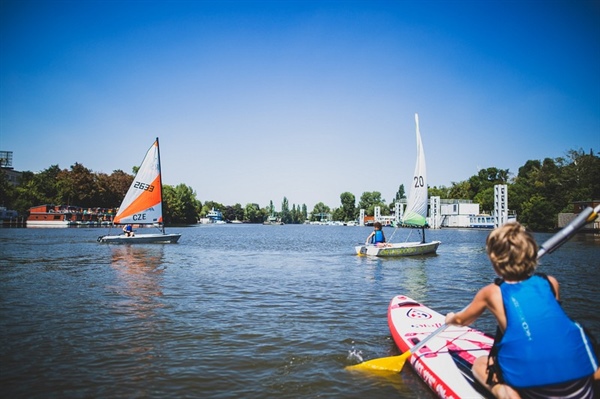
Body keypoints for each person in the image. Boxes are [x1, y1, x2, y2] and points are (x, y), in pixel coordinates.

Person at [445, 221, 599, 399]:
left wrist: (450, 318)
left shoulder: (491, 293)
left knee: (479, 364)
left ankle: (506, 393)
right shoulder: (550, 282)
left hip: (535, 391)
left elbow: (461, 321)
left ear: (494, 261)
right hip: (582, 386)